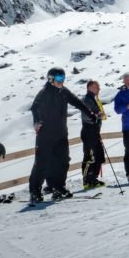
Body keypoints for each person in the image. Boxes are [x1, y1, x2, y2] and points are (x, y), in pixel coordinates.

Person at [30, 67, 96, 203]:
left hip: (61, 134)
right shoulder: (44, 92)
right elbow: (35, 107)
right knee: (42, 163)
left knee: (63, 161)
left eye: (63, 78)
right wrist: (37, 121)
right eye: (59, 78)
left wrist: (90, 114)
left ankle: (59, 188)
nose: (62, 81)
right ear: (51, 79)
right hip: (45, 135)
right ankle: (35, 192)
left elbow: (78, 103)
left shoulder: (64, 91)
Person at [80, 79, 108, 189]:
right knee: (89, 156)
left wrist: (99, 115)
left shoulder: (94, 99)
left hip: (95, 131)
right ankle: (87, 180)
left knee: (99, 156)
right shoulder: (87, 99)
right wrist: (98, 115)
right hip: (88, 130)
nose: (99, 89)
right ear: (90, 87)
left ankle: (93, 179)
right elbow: (86, 115)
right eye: (97, 87)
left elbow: (101, 114)